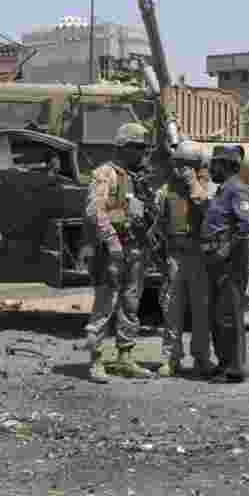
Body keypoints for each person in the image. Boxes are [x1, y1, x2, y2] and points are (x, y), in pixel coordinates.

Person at [84, 122, 155, 382]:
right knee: (105, 306)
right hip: (112, 251)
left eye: (143, 148)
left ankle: (125, 358)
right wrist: (112, 242)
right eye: (137, 148)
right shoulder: (106, 173)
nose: (142, 153)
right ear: (123, 148)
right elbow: (95, 211)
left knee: (131, 305)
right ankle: (96, 362)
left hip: (136, 249)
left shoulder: (139, 178)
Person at [154, 140, 215, 378]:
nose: (182, 170)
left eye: (188, 165)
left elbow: (209, 212)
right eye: (179, 164)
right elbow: (157, 224)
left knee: (201, 310)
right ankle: (171, 358)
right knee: (172, 310)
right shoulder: (166, 190)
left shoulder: (205, 188)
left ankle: (201, 358)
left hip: (199, 256)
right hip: (174, 256)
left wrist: (193, 185)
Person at [200, 144, 249, 383]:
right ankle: (224, 363)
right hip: (217, 261)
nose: (211, 168)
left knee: (229, 315)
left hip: (231, 263)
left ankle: (234, 369)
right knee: (218, 315)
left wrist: (226, 247)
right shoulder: (222, 190)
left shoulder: (237, 190)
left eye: (216, 164)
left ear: (228, 166)